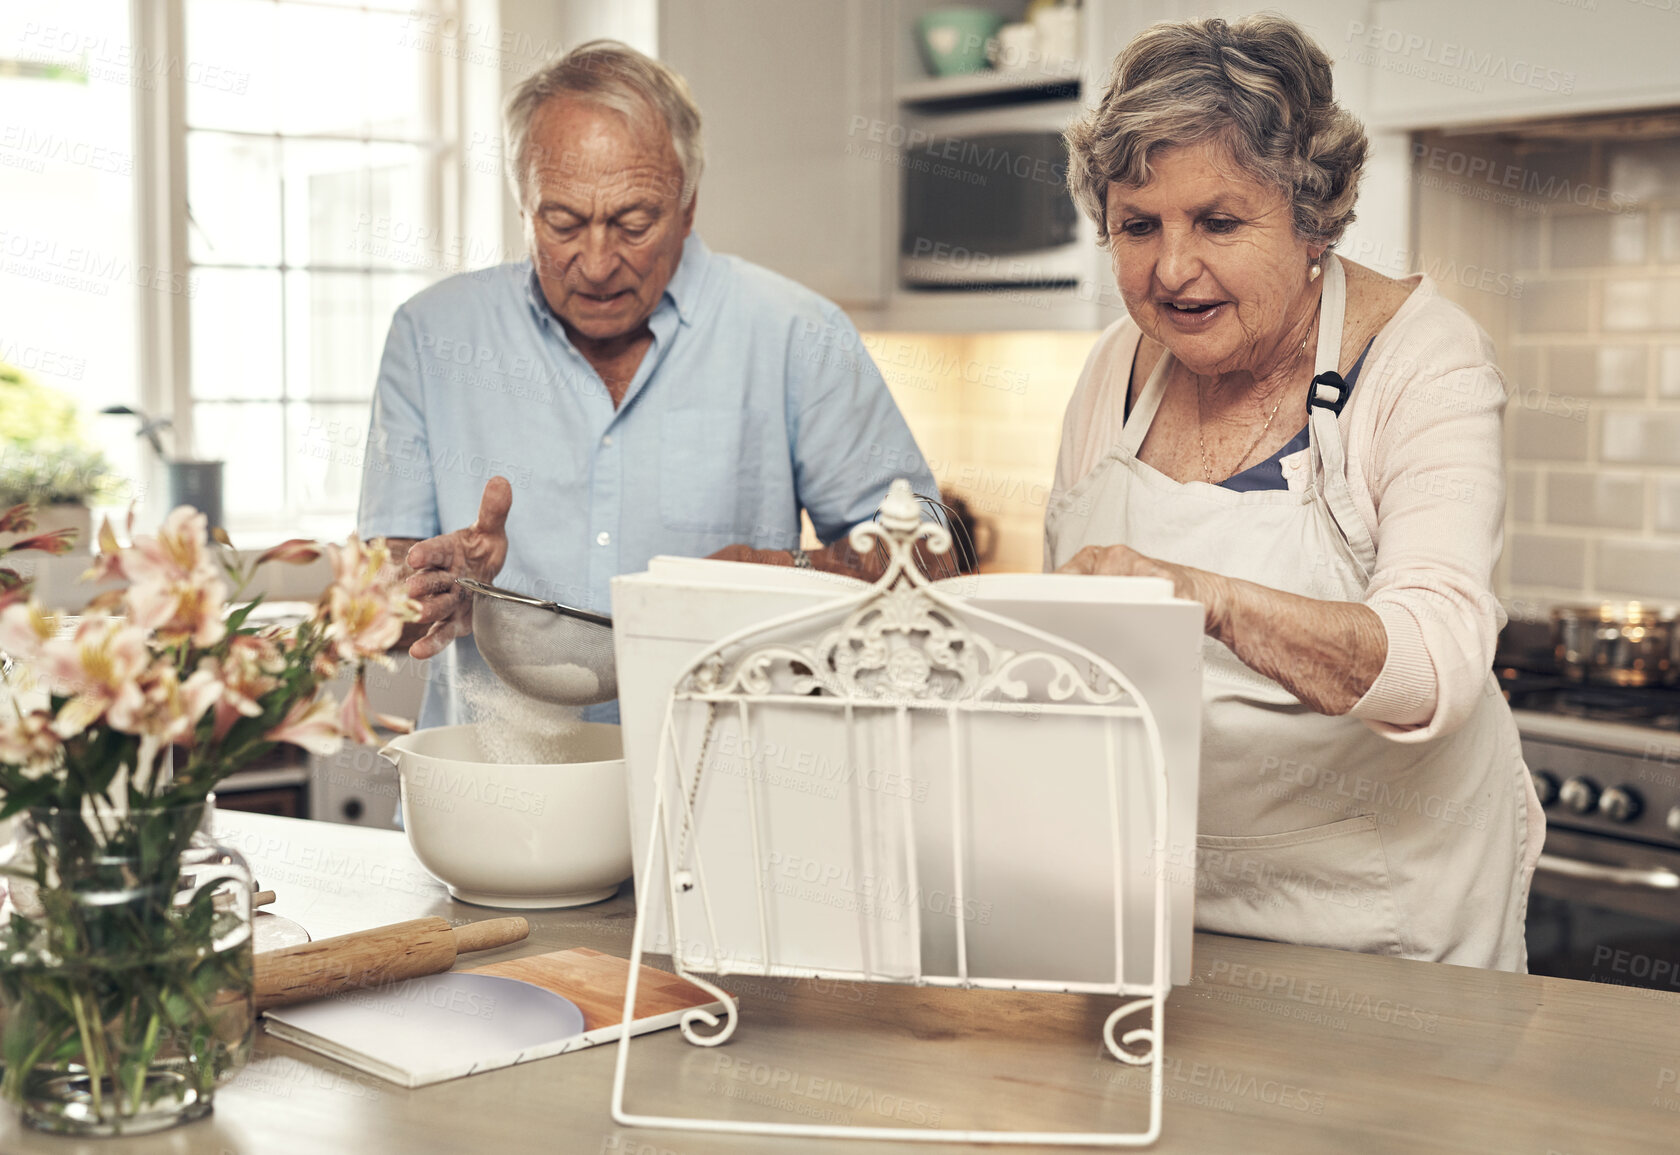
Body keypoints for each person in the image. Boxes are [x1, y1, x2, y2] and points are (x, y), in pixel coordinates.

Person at [1044, 15, 1543, 970]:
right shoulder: (1116, 370)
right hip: (1158, 912)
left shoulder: (1423, 362)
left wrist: (1207, 598)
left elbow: (1433, 665)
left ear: (1312, 216)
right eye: (1137, 226)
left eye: (1219, 222)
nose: (1171, 269)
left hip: (1383, 922)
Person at [358, 41, 939, 728]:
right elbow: (372, 602)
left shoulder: (794, 333)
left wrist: (786, 572)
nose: (598, 263)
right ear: (522, 205)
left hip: (723, 797)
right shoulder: (431, 336)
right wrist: (428, 587)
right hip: (497, 807)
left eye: (633, 223)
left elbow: (929, 557)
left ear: (688, 207)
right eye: (563, 223)